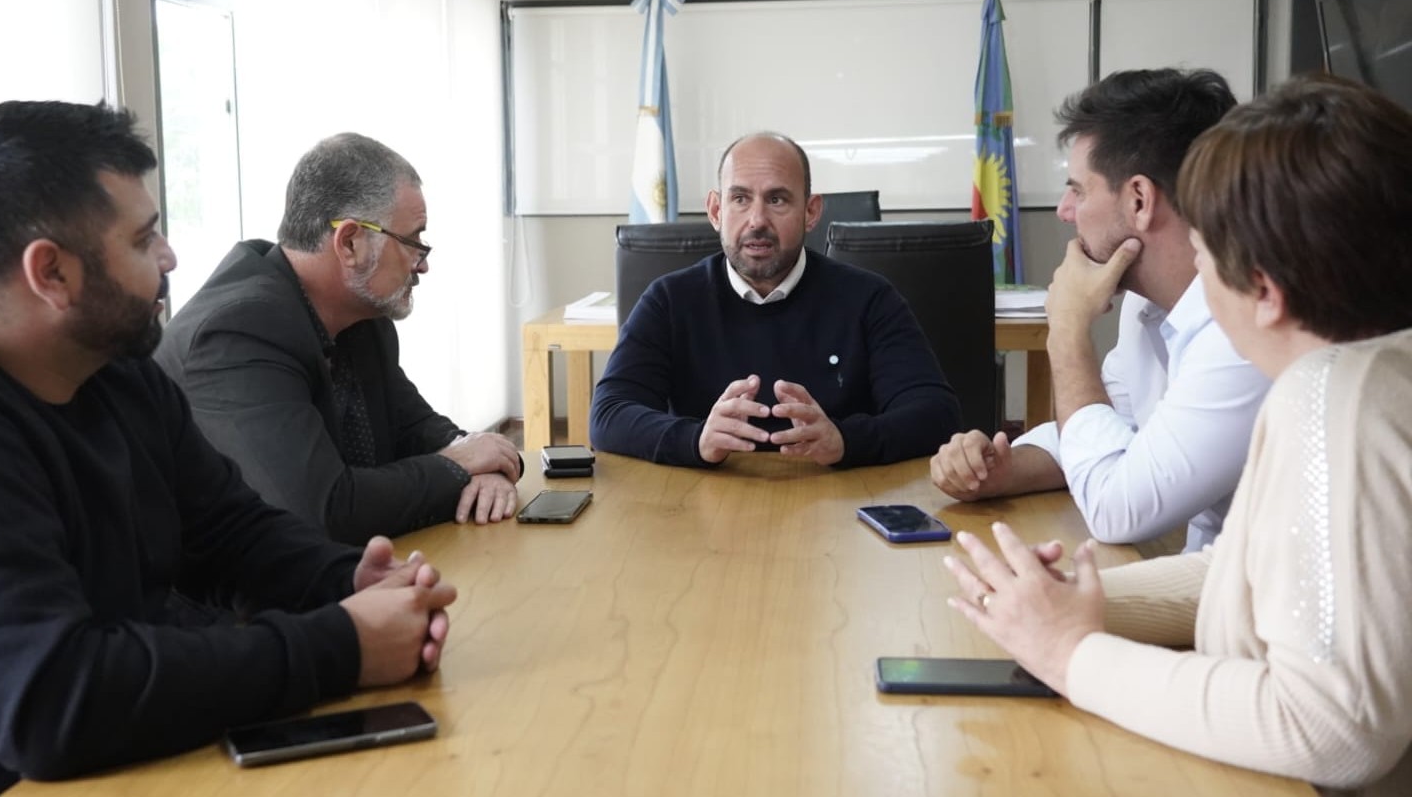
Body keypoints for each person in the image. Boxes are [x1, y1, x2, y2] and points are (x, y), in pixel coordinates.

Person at [0, 102, 456, 796]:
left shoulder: (111, 370)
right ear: (50, 273)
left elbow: (230, 529)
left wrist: (348, 581)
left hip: (121, 756)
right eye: (144, 239)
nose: (170, 255)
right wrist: (343, 646)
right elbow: (50, 701)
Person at [943, 75, 1412, 795]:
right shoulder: (1363, 372)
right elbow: (1245, 571)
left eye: (1209, 246)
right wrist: (1074, 599)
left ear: (1265, 290)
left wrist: (1071, 654)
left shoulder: (1330, 399)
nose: (1194, 264)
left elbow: (1331, 731)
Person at [931, 69, 1270, 552]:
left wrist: (1066, 332)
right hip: (1205, 591)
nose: (1064, 211)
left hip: (1241, 616)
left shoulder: (1244, 336)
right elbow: (1109, 425)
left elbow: (1115, 510)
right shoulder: (1145, 305)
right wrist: (1004, 468)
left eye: (1079, 190)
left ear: (1139, 200)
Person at [156, 133, 522, 543]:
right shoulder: (238, 332)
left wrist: (488, 466)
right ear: (350, 242)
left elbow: (417, 429)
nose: (422, 265)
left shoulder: (360, 315)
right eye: (413, 240)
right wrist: (458, 467)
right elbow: (321, 511)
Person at [590, 131, 959, 469]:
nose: (757, 220)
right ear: (716, 211)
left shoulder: (870, 299)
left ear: (810, 212)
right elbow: (609, 415)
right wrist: (695, 439)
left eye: (777, 199)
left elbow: (936, 414)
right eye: (740, 199)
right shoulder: (668, 300)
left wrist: (845, 440)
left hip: (839, 508)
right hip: (702, 508)